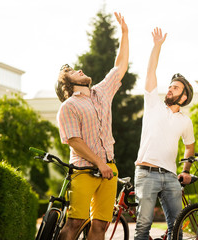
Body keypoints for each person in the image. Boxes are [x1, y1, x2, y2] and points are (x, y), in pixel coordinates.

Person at [55, 12, 128, 240]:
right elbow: (74, 141)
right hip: (84, 170)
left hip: (109, 168)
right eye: (74, 72)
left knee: (100, 226)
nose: (80, 70)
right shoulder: (68, 106)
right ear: (68, 84)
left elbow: (121, 66)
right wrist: (99, 163)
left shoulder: (102, 92)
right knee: (75, 222)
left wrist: (125, 33)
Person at [134, 27, 195, 240]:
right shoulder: (153, 104)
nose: (170, 89)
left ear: (184, 97)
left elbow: (190, 145)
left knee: (176, 227)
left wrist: (185, 169)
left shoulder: (185, 121)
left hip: (170, 177)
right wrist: (156, 46)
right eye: (170, 86)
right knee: (142, 227)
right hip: (146, 173)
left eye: (176, 88)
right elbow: (151, 72)